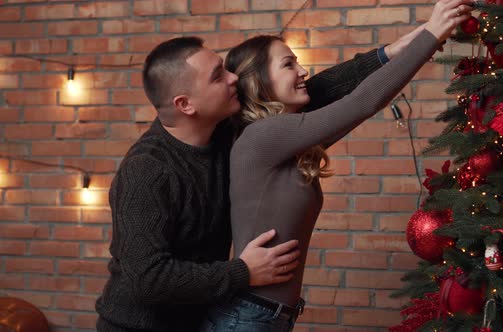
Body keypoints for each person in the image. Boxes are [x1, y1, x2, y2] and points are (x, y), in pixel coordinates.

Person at [94, 14, 422, 331]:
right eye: (217, 76)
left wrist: (387, 54)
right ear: (185, 105)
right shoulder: (148, 170)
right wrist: (242, 272)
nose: (234, 77)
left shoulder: (225, 134)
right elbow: (147, 279)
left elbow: (317, 93)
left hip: (203, 318)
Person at [202, 0, 474, 331]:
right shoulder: (262, 136)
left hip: (264, 316)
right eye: (289, 65)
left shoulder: (284, 141)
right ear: (258, 81)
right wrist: (430, 33)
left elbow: (339, 90)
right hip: (247, 317)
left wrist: (416, 40)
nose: (302, 72)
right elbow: (361, 102)